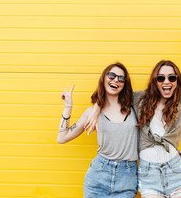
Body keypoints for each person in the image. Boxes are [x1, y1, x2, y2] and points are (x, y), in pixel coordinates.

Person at [85, 6, 181, 198]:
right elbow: (112, 92)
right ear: (154, 81)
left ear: (177, 82)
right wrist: (96, 109)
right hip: (148, 174)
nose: (166, 82)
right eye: (161, 78)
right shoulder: (140, 99)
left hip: (175, 170)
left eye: (172, 78)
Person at [57, 62, 139, 198]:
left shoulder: (135, 107)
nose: (116, 80)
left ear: (125, 83)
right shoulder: (91, 112)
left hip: (127, 178)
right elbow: (62, 138)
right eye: (111, 75)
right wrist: (68, 106)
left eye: (121, 78)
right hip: (98, 175)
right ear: (104, 79)